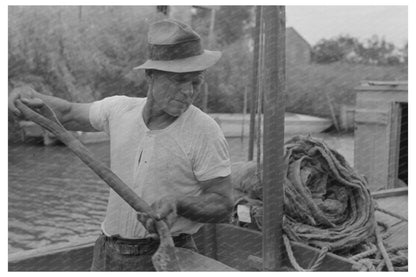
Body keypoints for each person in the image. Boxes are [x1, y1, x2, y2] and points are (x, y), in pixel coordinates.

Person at [8, 19, 233, 271]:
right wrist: (29, 97)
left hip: (167, 253)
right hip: (106, 251)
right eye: (179, 80)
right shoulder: (119, 109)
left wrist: (178, 203)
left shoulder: (205, 131)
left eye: (196, 82)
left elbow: (223, 205)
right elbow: (69, 113)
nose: (189, 92)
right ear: (151, 75)